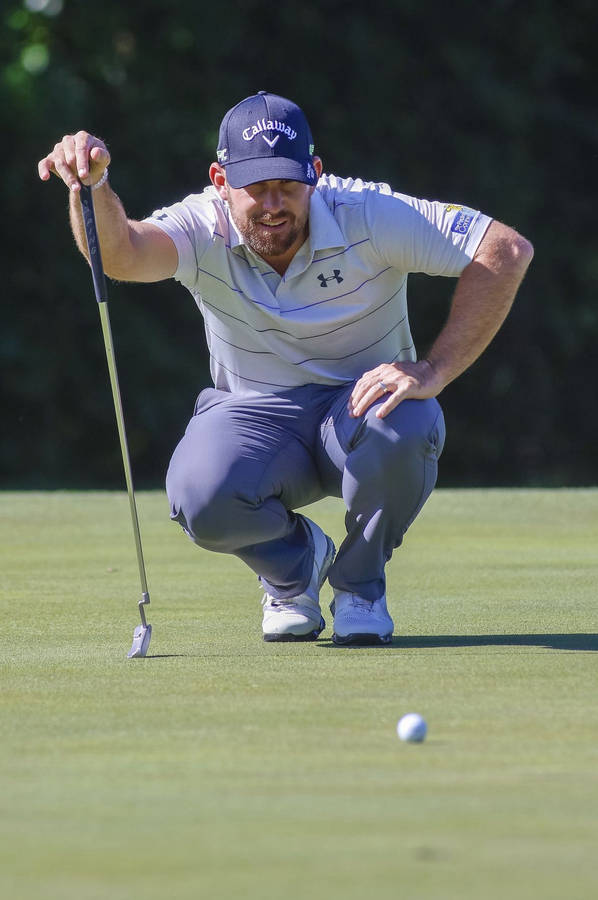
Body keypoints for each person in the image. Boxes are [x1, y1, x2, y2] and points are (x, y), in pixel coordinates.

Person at [38, 91, 533, 646]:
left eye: (287, 185)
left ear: (314, 174)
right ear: (221, 181)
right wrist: (94, 187)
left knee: (408, 424)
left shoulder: (368, 213)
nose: (273, 203)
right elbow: (122, 255)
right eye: (255, 187)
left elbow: (505, 251)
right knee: (199, 492)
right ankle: (296, 571)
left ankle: (360, 587)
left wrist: (434, 370)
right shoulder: (202, 224)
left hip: (361, 411)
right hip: (254, 418)